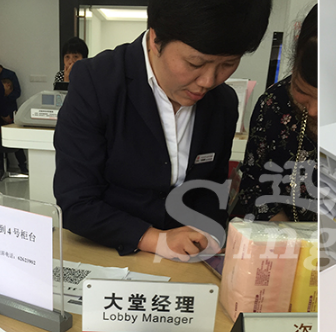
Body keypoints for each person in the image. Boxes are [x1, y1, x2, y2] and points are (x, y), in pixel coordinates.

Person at [53, 0, 272, 260]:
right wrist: (155, 239)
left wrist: (210, 236)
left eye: (227, 64)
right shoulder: (97, 81)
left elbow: (209, 188)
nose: (208, 81)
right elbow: (75, 201)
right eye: (195, 63)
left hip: (185, 260)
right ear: (156, 39)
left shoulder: (222, 102)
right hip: (108, 251)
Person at [235, 4, 318, 222]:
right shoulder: (275, 104)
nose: (314, 110)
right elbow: (253, 185)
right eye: (302, 92)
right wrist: (282, 229)